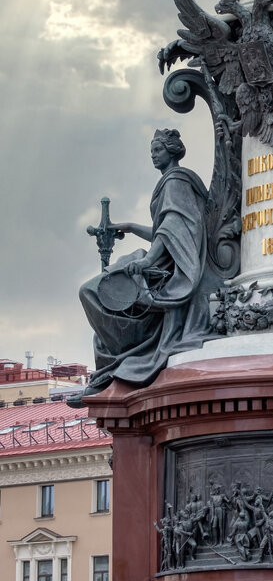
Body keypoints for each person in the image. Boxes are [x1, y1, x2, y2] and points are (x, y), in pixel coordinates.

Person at [74, 129, 210, 399]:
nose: (153, 156)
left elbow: (172, 227)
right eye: (151, 152)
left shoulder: (176, 180)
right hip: (160, 263)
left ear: (171, 151)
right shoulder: (171, 183)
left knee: (91, 291)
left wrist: (147, 260)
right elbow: (163, 229)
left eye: (157, 150)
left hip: (167, 271)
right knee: (99, 294)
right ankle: (116, 360)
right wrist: (130, 226)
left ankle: (117, 359)